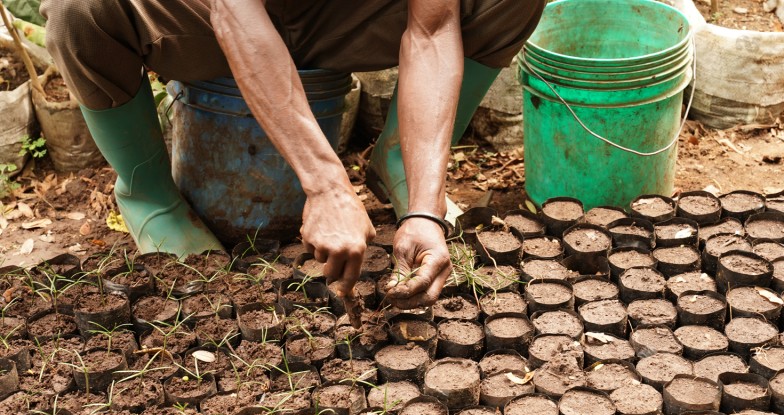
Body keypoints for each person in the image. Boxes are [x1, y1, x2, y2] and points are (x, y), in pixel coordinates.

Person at [41, 0, 543, 308]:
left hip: (342, 20)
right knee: (79, 9)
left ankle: (399, 163)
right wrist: (326, 185)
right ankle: (149, 195)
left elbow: (433, 29)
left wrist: (423, 210)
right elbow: (234, 11)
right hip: (212, 17)